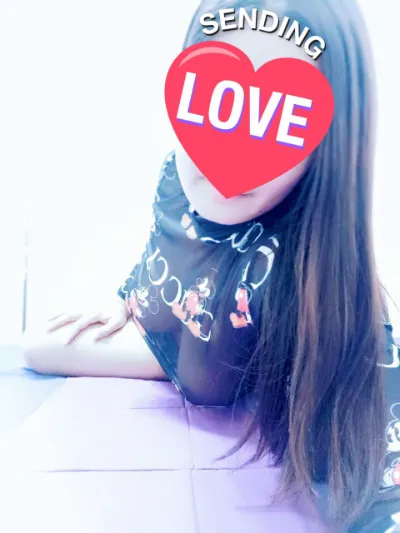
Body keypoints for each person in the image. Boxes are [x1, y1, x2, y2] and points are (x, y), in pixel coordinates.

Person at [22, 0, 400, 531]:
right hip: (174, 346)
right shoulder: (173, 182)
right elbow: (164, 250)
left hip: (227, 370)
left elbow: (381, 484)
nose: (231, 153)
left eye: (277, 116)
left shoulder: (320, 292)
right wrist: (125, 298)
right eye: (214, 100)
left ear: (329, 141)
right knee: (38, 346)